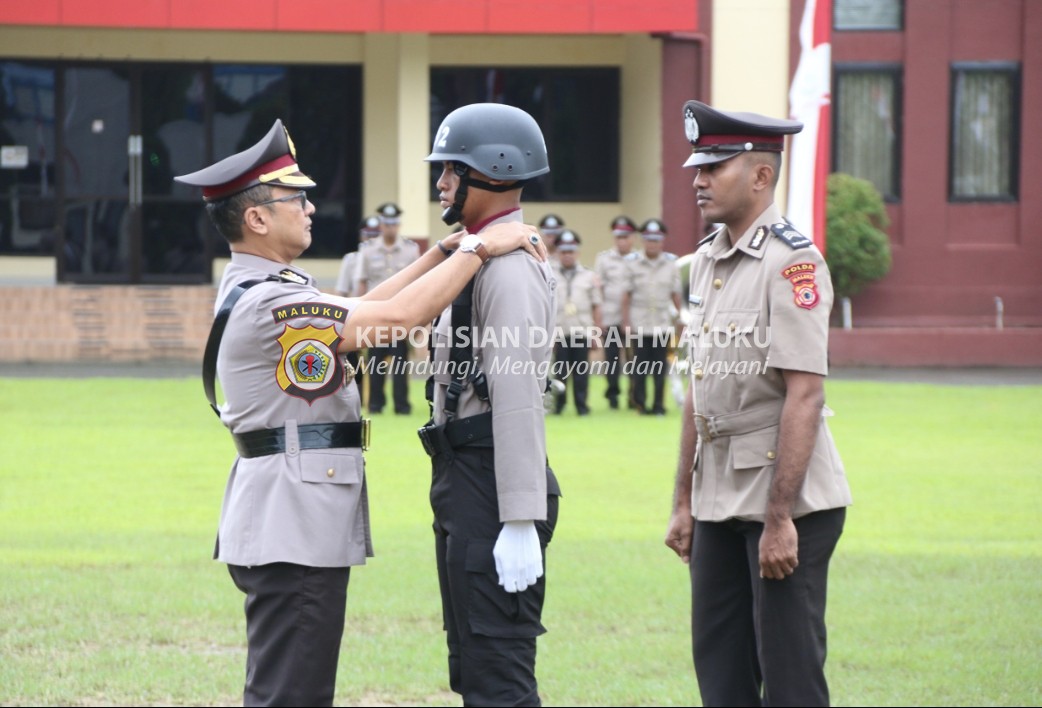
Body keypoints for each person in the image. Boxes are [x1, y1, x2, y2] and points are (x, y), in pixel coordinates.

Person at [173, 119, 545, 707]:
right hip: (291, 519)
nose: (310, 207)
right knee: (290, 693)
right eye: (294, 197)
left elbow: (369, 305)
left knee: (296, 685)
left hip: (290, 513)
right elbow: (395, 321)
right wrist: (477, 247)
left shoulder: (267, 285)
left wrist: (445, 251)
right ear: (257, 218)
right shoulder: (273, 298)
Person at [664, 99, 853, 707]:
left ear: (761, 176)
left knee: (790, 674)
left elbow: (805, 393)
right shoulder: (708, 262)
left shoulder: (792, 262)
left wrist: (781, 519)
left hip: (784, 498)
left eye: (713, 167)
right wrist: (683, 501)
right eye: (698, 167)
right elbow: (701, 387)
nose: (697, 179)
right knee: (719, 669)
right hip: (719, 493)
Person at [417, 102, 561, 706]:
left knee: (498, 675)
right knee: (472, 669)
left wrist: (521, 516)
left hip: (492, 483)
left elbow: (519, 397)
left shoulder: (506, 272)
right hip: (462, 476)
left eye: (452, 170)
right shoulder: (476, 257)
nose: (442, 183)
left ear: (494, 172)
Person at [355, 201, 420, 414]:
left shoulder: (411, 250)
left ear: (398, 225)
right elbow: (362, 284)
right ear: (381, 225)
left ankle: (402, 406)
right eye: (386, 223)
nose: (390, 227)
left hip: (400, 317)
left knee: (400, 364)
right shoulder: (368, 250)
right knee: (375, 363)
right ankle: (375, 405)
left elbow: (417, 284)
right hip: (374, 317)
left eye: (394, 224)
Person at [621, 218, 682, 415]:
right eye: (648, 240)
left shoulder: (671, 264)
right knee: (639, 368)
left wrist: (679, 319)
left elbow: (675, 295)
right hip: (640, 324)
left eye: (656, 240)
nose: (652, 244)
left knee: (659, 369)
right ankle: (640, 404)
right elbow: (626, 295)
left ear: (662, 241)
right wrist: (626, 322)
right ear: (643, 241)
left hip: (662, 324)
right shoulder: (632, 264)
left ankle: (658, 405)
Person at [552, 229, 603, 415]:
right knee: (560, 371)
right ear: (558, 252)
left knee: (581, 372)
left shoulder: (588, 276)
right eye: (563, 251)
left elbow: (597, 306)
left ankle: (582, 406)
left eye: (570, 251)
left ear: (577, 252)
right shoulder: (550, 274)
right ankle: (559, 405)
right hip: (559, 331)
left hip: (581, 331)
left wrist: (596, 334)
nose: (567, 255)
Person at [593, 215, 639, 409]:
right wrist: (599, 319)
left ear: (632, 238)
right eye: (619, 237)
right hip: (611, 317)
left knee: (634, 361)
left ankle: (634, 396)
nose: (622, 241)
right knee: (611, 360)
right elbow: (598, 289)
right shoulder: (604, 259)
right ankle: (612, 396)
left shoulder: (639, 259)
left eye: (626, 237)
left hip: (635, 319)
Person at [334, 214, 380, 297]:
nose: (372, 239)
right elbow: (342, 292)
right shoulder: (351, 259)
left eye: (376, 235)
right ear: (361, 236)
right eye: (368, 235)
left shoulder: (392, 258)